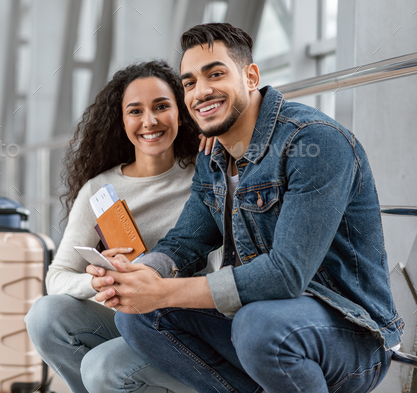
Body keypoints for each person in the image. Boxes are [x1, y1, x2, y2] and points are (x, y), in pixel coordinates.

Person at [95, 23, 402, 393]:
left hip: (349, 334)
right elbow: (185, 243)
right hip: (260, 323)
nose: (201, 91)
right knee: (139, 317)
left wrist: (163, 291)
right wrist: (136, 276)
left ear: (251, 76)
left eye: (216, 74)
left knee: (258, 325)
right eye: (189, 83)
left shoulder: (315, 143)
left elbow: (284, 275)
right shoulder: (214, 156)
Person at [25, 60, 217, 393]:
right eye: (135, 111)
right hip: (129, 320)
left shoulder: (205, 178)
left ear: (180, 112)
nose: (150, 121)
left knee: (102, 368)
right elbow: (57, 277)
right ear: (121, 120)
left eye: (161, 107)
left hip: (189, 327)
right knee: (44, 316)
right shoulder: (98, 191)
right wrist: (104, 280)